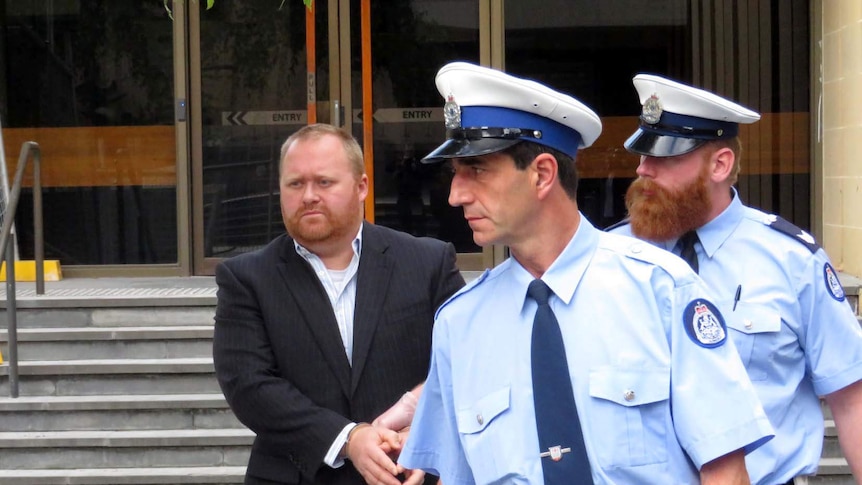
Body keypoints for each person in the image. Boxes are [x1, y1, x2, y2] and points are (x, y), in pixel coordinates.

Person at [398, 61, 774, 484]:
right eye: (455, 174)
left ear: (542, 174)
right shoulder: (459, 323)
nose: (455, 195)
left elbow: (724, 467)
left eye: (477, 171)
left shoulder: (661, 289)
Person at [608, 74, 862, 484]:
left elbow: (851, 400)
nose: (643, 169)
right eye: (642, 154)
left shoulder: (792, 260)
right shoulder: (614, 257)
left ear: (720, 164)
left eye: (663, 157)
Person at [213, 123, 465, 485]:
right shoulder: (246, 279)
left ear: (361, 186)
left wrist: (425, 432)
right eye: (295, 184)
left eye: (324, 182)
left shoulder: (427, 262)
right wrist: (349, 439)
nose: (309, 196)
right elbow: (248, 385)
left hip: (410, 471)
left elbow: (464, 361)